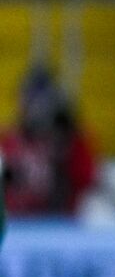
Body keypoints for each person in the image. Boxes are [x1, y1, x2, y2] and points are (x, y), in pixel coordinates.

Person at [0, 65, 97, 216]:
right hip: (18, 222)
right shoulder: (9, 139)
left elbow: (87, 178)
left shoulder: (69, 139)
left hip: (59, 222)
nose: (35, 107)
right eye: (29, 99)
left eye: (40, 100)